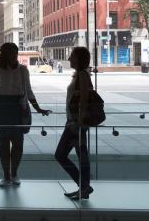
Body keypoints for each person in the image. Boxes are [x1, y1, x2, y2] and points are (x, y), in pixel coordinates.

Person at [0, 42, 51, 187]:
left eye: (15, 53)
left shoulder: (23, 70)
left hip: (18, 108)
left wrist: (38, 109)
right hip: (1, 107)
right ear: (4, 54)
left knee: (18, 143)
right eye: (12, 53)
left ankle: (14, 174)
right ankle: (6, 176)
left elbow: (29, 91)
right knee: (4, 143)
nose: (14, 56)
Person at [55, 46, 93, 200]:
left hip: (76, 124)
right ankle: (83, 187)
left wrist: (78, 122)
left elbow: (84, 100)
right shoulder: (79, 75)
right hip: (74, 122)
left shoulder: (83, 75)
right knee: (81, 156)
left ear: (79, 59)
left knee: (61, 155)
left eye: (72, 56)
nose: (69, 58)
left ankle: (84, 187)